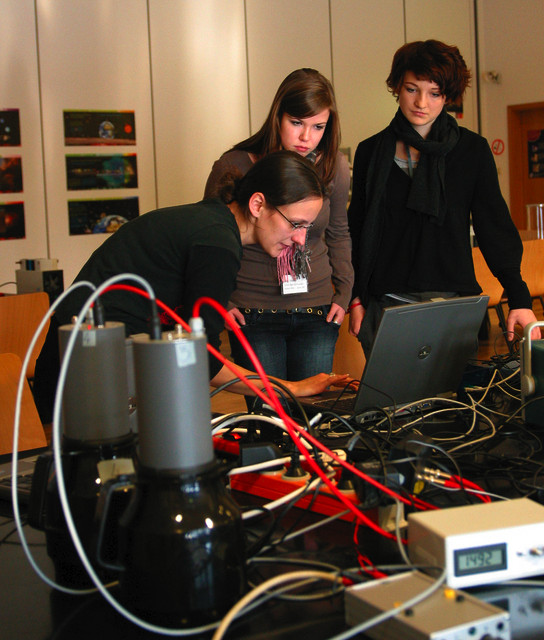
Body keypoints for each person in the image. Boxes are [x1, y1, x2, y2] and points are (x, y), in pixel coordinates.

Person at [33, 151, 348, 423]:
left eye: (306, 227)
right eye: (295, 224)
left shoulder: (213, 222)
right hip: (86, 358)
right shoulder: (218, 244)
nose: (300, 239)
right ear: (257, 204)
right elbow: (204, 359)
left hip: (86, 350)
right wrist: (290, 387)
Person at [347, 39, 541, 358]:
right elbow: (357, 229)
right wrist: (356, 296)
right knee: (392, 406)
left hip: (453, 301)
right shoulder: (371, 151)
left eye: (434, 93)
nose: (421, 102)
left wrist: (519, 297)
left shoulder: (471, 151)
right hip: (386, 303)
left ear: (447, 96)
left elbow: (495, 228)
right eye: (412, 89)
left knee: (452, 407)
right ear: (397, 87)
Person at [204, 68, 353, 402]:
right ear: (277, 117)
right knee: (270, 416)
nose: (307, 137)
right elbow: (211, 238)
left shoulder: (334, 167)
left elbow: (339, 232)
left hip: (317, 309)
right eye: (297, 123)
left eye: (318, 127)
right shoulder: (236, 164)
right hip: (253, 312)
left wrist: (345, 293)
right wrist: (222, 300)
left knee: (313, 416)